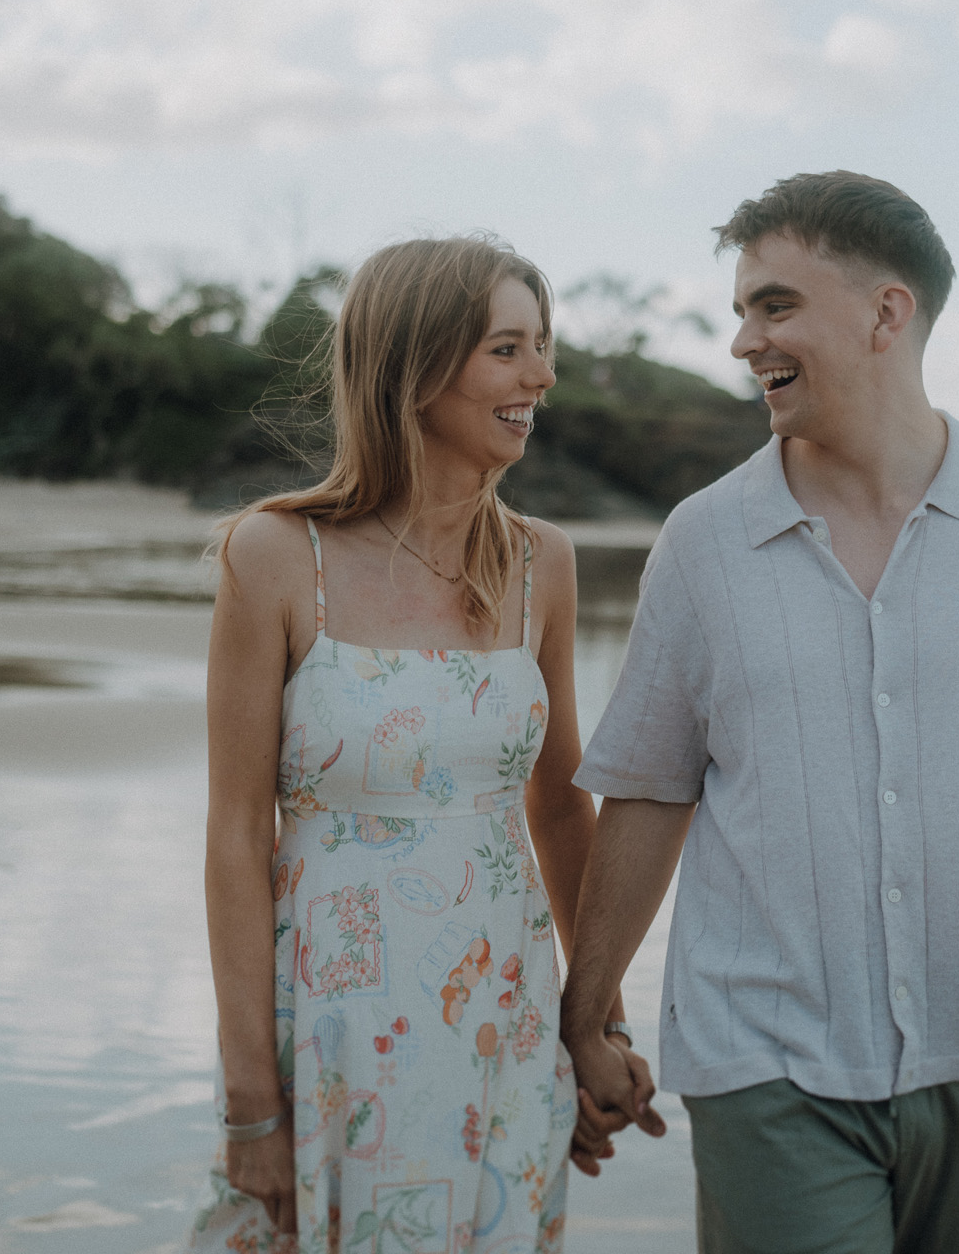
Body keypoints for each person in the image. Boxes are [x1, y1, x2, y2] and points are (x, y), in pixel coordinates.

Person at [560, 172, 959, 1253]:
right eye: (743, 309)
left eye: (775, 304)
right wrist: (588, 1011)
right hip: (770, 1065)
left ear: (889, 312)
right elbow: (650, 791)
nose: (745, 340)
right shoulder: (705, 543)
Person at [188, 235, 656, 1254]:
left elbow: (560, 809)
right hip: (333, 1024)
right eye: (508, 348)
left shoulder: (543, 562)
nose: (542, 375)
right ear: (415, 365)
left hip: (506, 1013)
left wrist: (597, 1026)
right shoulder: (273, 556)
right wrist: (250, 1102)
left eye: (542, 345)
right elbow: (234, 836)